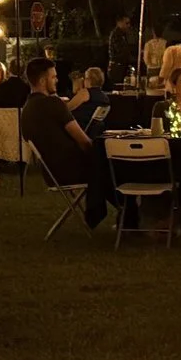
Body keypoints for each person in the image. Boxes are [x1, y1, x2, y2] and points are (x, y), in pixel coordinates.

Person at [18, 57, 100, 223]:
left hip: (51, 173)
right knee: (116, 165)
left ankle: (113, 216)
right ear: (43, 80)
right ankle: (127, 218)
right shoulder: (54, 104)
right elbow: (84, 141)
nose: (57, 80)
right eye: (53, 77)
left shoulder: (26, 110)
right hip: (73, 170)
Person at [107, 15, 138, 83]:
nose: (129, 26)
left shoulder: (122, 35)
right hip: (117, 67)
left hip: (121, 66)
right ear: (119, 23)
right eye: (126, 23)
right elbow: (121, 51)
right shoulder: (116, 35)